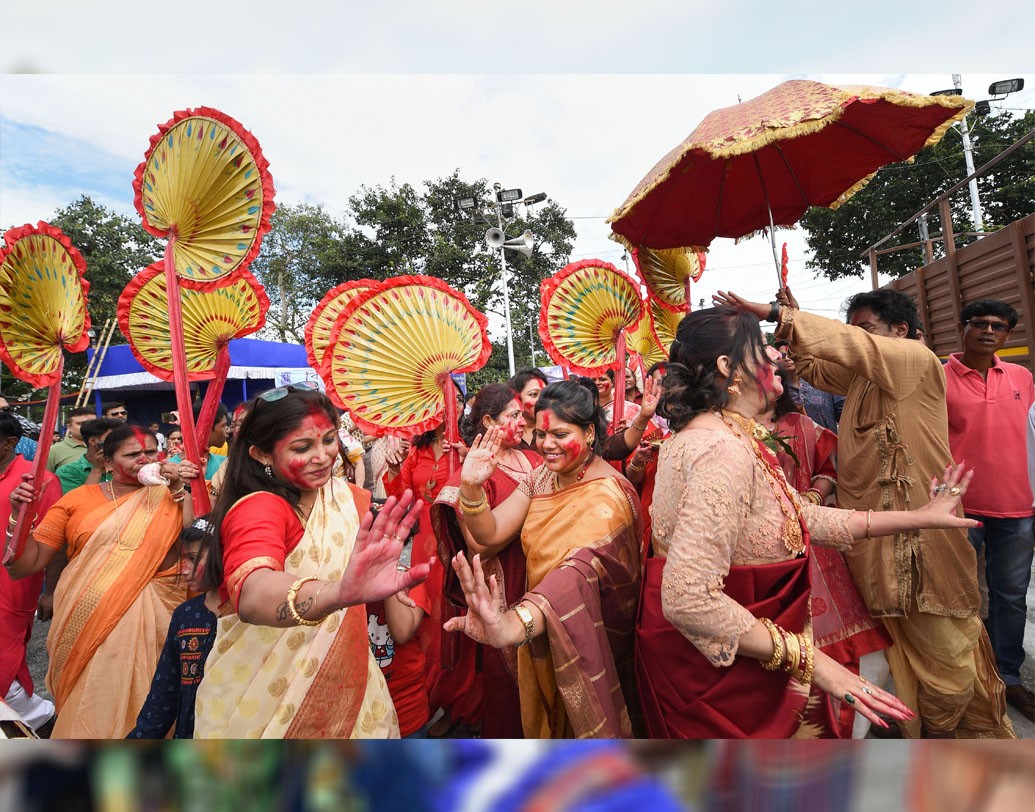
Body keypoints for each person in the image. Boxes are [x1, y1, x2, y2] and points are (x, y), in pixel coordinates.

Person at [635, 305, 981, 739]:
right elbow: (688, 600)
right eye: (762, 347)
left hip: (743, 655)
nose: (777, 355)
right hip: (723, 677)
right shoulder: (717, 449)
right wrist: (819, 666)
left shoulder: (730, 434)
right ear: (728, 367)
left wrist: (919, 517)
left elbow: (795, 515)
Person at [713, 288, 1013, 739]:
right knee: (896, 651)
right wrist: (791, 325)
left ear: (900, 331)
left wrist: (781, 313)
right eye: (852, 328)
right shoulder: (864, 379)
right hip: (874, 539)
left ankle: (946, 735)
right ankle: (917, 734)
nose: (856, 338)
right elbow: (817, 366)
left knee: (948, 653)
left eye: (866, 328)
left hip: (925, 537)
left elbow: (852, 347)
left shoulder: (914, 360)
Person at [193, 383, 430, 738]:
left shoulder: (350, 499)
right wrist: (337, 594)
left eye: (329, 440)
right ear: (260, 454)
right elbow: (254, 592)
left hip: (349, 690)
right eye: (303, 447)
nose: (323, 456)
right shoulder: (259, 508)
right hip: (262, 703)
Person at [445, 379, 643, 738]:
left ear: (590, 434)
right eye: (540, 433)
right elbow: (489, 533)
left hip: (586, 639)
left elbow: (572, 580)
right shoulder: (541, 478)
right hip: (539, 631)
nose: (547, 445)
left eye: (560, 434)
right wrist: (472, 487)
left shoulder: (607, 496)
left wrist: (511, 627)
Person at [5, 424, 198, 738]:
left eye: (151, 452)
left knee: (160, 705)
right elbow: (25, 565)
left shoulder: (173, 494)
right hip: (90, 625)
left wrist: (180, 490)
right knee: (94, 703)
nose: (145, 460)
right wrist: (20, 515)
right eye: (133, 454)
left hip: (160, 622)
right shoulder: (78, 500)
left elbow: (195, 546)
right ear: (107, 463)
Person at [759, 351, 892, 738]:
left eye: (773, 373)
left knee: (858, 654)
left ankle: (850, 729)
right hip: (764, 552)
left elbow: (827, 471)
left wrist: (812, 499)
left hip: (816, 543)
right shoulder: (724, 432)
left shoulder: (800, 424)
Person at [431, 383, 542, 738]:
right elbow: (478, 549)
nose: (523, 422)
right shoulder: (470, 476)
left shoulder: (535, 457)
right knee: (511, 689)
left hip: (541, 580)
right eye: (513, 416)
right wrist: (522, 511)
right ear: (490, 422)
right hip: (504, 590)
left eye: (522, 415)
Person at [944, 299, 1035, 720]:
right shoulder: (938, 377)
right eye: (978, 323)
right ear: (962, 327)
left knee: (1011, 597)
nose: (987, 331)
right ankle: (963, 680)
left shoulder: (1022, 377)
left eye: (998, 326)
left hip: (1018, 507)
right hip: (959, 507)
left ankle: (1009, 677)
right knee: (957, 595)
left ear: (1008, 335)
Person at [126, 517, 216, 739]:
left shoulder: (250, 617)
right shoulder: (185, 616)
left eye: (193, 559)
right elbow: (163, 696)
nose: (183, 570)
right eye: (183, 559)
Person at [0, 413, 62, 733]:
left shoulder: (38, 480)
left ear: (9, 443)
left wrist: (51, 591)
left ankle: (44, 719)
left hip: (14, 588)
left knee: (4, 663)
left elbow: (54, 540)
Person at [53, 417, 121, 495]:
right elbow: (78, 504)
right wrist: (97, 469)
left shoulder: (125, 465)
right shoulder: (68, 472)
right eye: (113, 439)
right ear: (93, 441)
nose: (119, 443)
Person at [507, 367, 550, 450]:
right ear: (517, 398)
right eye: (533, 394)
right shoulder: (505, 433)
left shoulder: (554, 429)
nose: (541, 400)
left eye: (545, 394)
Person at [46, 407, 94, 472]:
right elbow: (46, 478)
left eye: (93, 423)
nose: (88, 427)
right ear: (69, 427)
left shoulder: (107, 446)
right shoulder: (54, 451)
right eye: (82, 424)